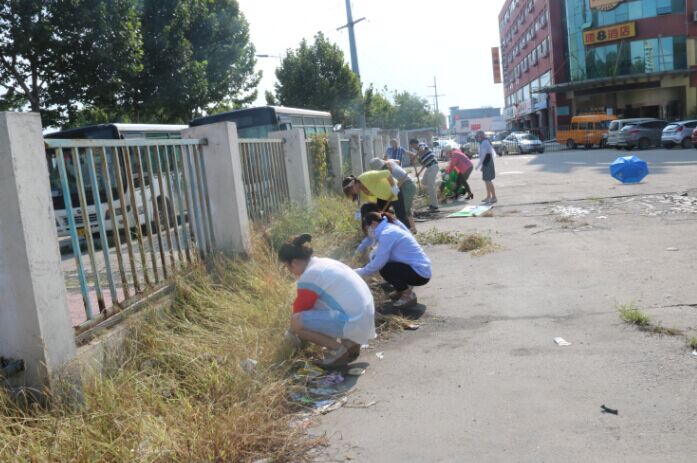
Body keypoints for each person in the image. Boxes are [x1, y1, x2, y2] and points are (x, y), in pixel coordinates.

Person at [279, 234, 376, 368]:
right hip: (365, 318)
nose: (290, 272)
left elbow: (299, 311)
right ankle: (351, 342)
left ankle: (338, 350)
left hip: (353, 321)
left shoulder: (310, 275)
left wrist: (290, 334)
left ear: (294, 262)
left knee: (296, 322)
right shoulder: (324, 263)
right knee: (321, 305)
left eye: (287, 267)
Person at [355, 212, 432, 309]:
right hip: (417, 269)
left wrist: (358, 272)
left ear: (374, 223)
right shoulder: (387, 229)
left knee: (385, 268)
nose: (368, 232)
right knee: (383, 265)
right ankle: (400, 290)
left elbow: (379, 263)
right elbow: (376, 255)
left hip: (420, 273)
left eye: (367, 229)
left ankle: (408, 295)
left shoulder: (387, 233)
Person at [342, 171, 408, 228]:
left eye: (350, 190)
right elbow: (369, 203)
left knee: (401, 215)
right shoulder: (360, 193)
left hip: (394, 191)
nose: (351, 193)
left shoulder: (366, 177)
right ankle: (392, 232)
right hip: (382, 197)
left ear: (354, 183)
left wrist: (393, 186)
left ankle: (408, 232)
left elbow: (387, 173)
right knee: (382, 216)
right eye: (349, 192)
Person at [368, 157, 417, 231]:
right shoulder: (389, 161)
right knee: (406, 210)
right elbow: (398, 161)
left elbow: (397, 185)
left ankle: (410, 230)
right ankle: (413, 229)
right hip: (409, 185)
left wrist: (391, 194)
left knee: (404, 210)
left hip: (407, 186)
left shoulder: (388, 172)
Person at [408, 139, 440, 212]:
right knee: (423, 182)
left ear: (414, 143)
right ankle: (432, 183)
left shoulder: (421, 145)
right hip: (429, 168)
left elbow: (422, 150)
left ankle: (434, 205)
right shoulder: (420, 155)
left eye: (412, 145)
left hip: (433, 166)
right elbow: (424, 164)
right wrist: (419, 172)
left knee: (430, 186)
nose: (412, 147)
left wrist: (414, 156)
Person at [475, 130, 497, 204]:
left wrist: (478, 166)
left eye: (477, 136)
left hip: (487, 162)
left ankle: (494, 197)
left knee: (488, 180)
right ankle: (488, 196)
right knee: (486, 180)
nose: (476, 138)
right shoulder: (484, 142)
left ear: (481, 136)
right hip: (487, 162)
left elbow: (483, 156)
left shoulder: (484, 143)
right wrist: (482, 166)